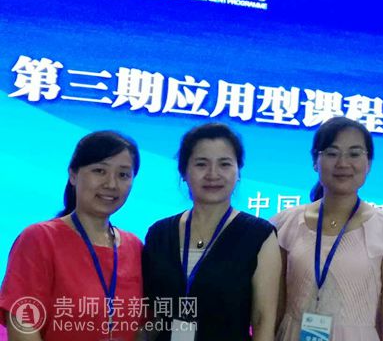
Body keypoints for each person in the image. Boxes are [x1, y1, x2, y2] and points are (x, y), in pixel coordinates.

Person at [272, 116, 383, 341]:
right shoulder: (286, 224)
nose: (343, 163)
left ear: (369, 163)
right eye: (332, 153)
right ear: (315, 161)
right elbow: (276, 304)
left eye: (354, 154)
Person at [0, 131, 143, 341]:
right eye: (99, 171)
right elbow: (23, 325)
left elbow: (144, 327)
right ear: (73, 175)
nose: (111, 184)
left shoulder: (135, 247)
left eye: (123, 175)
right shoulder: (40, 239)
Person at [142, 123, 280, 341]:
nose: (213, 174)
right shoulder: (159, 233)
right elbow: (151, 315)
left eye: (224, 164)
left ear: (238, 171)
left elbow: (262, 320)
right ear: (184, 172)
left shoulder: (259, 235)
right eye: (201, 164)